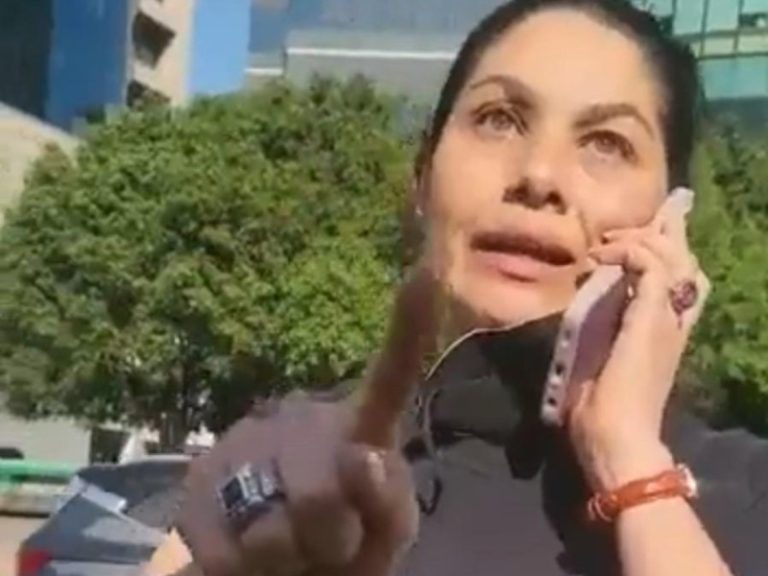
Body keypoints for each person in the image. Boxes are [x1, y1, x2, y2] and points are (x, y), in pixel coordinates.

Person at [145, 1, 768, 574]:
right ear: (423, 174)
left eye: (606, 143)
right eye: (499, 119)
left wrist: (631, 463)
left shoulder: (747, 488)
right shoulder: (291, 452)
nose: (538, 176)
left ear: (669, 218)